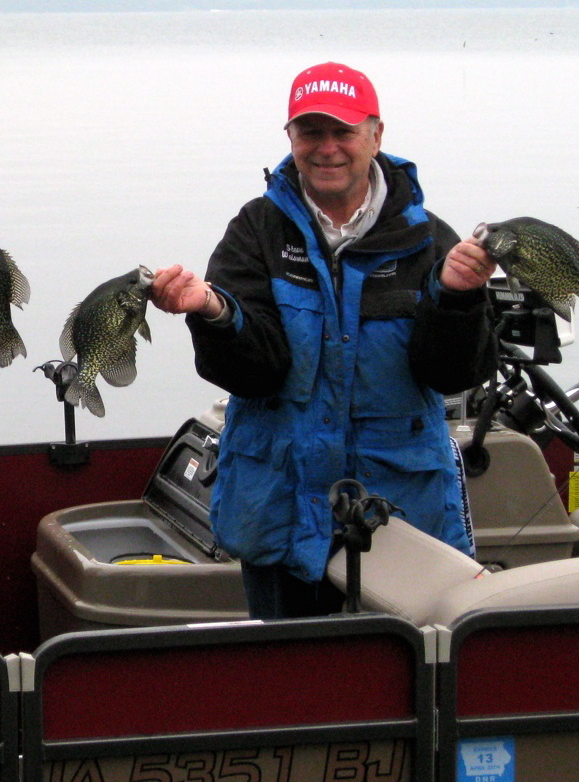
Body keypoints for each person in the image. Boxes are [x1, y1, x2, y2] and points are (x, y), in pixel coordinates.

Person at [150, 62, 498, 619]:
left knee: (401, 685)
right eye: (311, 132)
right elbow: (254, 373)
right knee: (290, 686)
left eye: (343, 131)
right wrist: (212, 312)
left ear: (376, 135)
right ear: (290, 138)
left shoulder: (428, 237)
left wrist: (458, 298)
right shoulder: (256, 229)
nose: (327, 148)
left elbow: (452, 375)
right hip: (281, 512)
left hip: (400, 519)